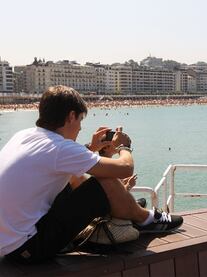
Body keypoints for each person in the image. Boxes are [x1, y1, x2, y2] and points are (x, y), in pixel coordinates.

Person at [0, 85, 183, 264]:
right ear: (71, 116)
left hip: (10, 243)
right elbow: (125, 168)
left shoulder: (23, 136)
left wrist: (92, 148)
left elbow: (58, 161)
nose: (80, 127)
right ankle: (146, 219)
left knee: (78, 176)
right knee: (102, 181)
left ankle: (125, 206)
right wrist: (123, 146)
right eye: (80, 120)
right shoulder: (59, 148)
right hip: (29, 249)